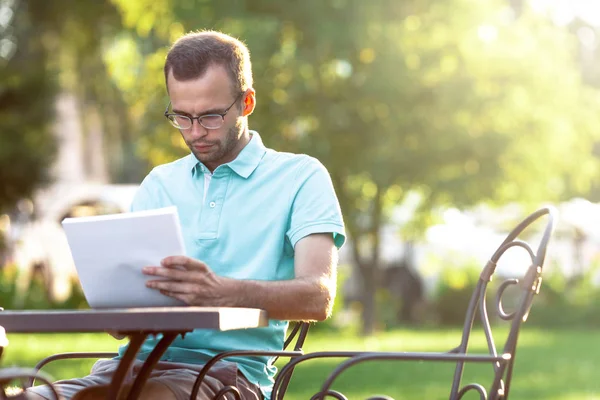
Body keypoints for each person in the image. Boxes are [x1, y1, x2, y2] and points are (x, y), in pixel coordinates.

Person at [28, 30, 345, 400]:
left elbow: (318, 297)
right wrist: (117, 310)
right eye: (181, 117)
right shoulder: (159, 183)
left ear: (247, 102)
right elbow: (125, 322)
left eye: (210, 116)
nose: (195, 133)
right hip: (127, 369)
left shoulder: (301, 177)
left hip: (228, 374)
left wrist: (223, 292)